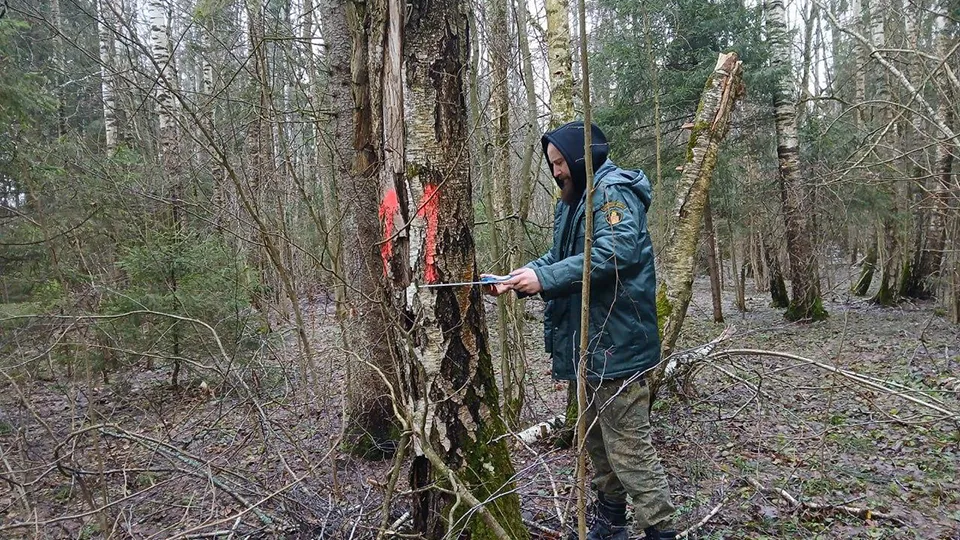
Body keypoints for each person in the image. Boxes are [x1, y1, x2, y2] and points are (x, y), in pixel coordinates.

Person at [484, 121, 676, 540]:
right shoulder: (574, 200)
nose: (556, 172)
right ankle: (610, 524)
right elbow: (560, 255)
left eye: (560, 163)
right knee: (597, 443)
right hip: (589, 346)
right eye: (551, 164)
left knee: (630, 450)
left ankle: (661, 530)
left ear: (580, 157)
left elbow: (616, 253)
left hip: (618, 345)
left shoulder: (611, 192)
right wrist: (522, 275)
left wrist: (546, 279)